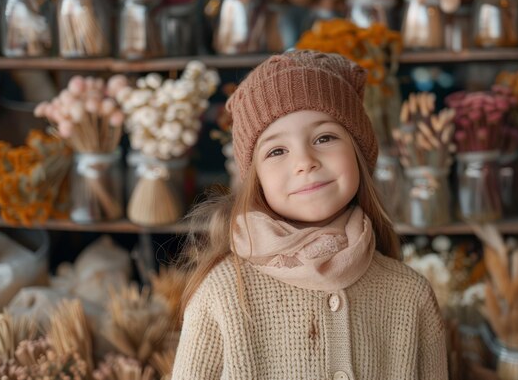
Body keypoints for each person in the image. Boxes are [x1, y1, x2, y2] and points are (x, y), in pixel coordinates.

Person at [172, 50, 447, 380]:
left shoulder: (410, 294)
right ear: (254, 177)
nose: (305, 161)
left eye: (325, 137)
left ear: (359, 152)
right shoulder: (223, 293)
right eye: (277, 150)